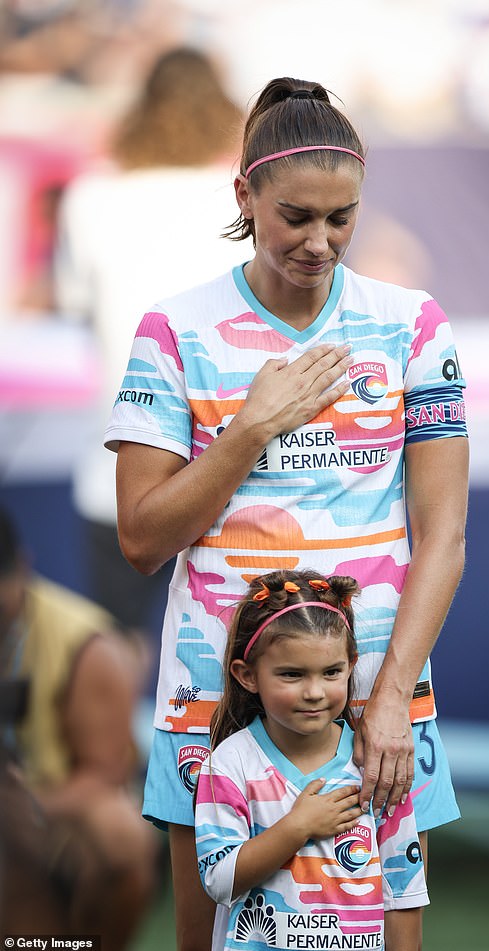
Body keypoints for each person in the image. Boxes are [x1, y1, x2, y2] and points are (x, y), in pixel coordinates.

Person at [106, 76, 469, 951]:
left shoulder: (411, 325)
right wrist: (252, 429)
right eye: (296, 216)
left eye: (341, 217)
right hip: (211, 706)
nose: (321, 242)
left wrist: (387, 702)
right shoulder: (174, 330)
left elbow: (445, 536)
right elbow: (143, 540)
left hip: (371, 703)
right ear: (245, 196)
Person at [54, 45, 246, 637]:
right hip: (229, 469)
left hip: (118, 463)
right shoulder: (242, 199)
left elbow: (72, 304)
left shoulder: (91, 198)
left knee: (118, 648)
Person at [195, 569, 428, 951]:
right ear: (248, 675)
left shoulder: (374, 766)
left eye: (331, 672)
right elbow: (219, 880)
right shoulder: (230, 763)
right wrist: (297, 827)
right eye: (292, 674)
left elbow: (403, 891)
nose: (315, 692)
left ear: (351, 664)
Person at [0, 506, 158, 948]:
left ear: (23, 568)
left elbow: (104, 775)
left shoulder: (86, 644)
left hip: (48, 815)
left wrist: (28, 807)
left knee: (120, 833)